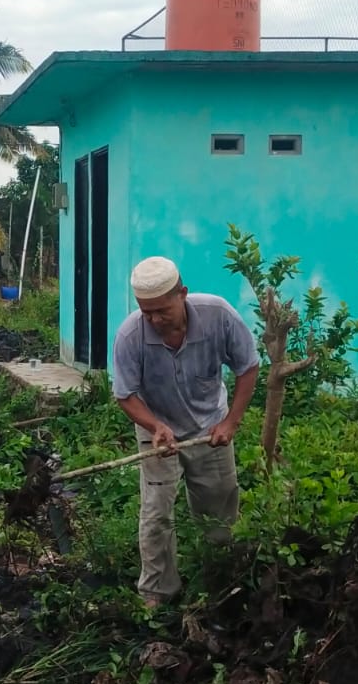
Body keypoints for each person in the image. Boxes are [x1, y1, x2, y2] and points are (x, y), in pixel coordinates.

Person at [111, 256, 260, 610]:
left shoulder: (218, 316)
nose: (154, 320)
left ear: (183, 294)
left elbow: (248, 367)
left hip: (211, 429)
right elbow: (125, 395)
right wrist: (155, 427)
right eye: (147, 312)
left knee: (219, 507)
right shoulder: (130, 336)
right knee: (156, 510)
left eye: (162, 310)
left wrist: (231, 423)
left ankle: (219, 578)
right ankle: (158, 592)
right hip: (158, 431)